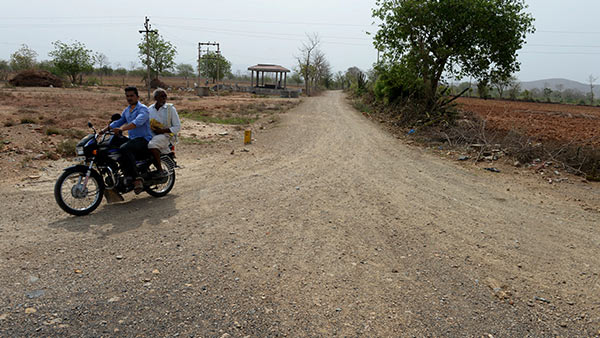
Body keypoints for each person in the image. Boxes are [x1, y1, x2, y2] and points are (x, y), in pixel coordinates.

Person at [102, 86, 153, 194]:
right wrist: (103, 131)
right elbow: (118, 122)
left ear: (137, 97)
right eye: (127, 96)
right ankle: (118, 173)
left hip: (144, 139)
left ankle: (137, 179)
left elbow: (137, 122)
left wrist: (122, 129)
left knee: (125, 148)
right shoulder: (127, 110)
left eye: (131, 96)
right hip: (133, 139)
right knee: (111, 144)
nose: (129, 98)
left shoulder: (143, 109)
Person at [147, 88, 181, 176]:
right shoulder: (150, 109)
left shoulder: (170, 109)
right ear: (155, 98)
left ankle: (160, 170)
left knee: (151, 145)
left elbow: (177, 126)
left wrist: (162, 131)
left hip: (166, 135)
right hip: (152, 134)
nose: (164, 98)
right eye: (161, 96)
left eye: (165, 96)